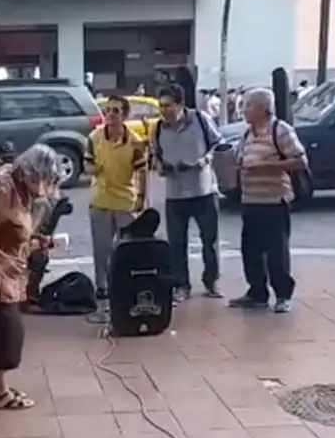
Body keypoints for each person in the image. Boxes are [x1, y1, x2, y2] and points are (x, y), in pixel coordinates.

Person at [0, 144, 61, 410]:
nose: (45, 187)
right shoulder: (3, 189)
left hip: (7, 269)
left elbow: (17, 230)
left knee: (2, 327)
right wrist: (3, 259)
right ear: (30, 173)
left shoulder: (23, 189)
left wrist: (39, 243)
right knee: (8, 328)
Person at [227, 88, 307, 313]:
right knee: (250, 251)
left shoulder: (280, 130)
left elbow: (300, 161)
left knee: (276, 253)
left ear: (263, 108)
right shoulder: (247, 134)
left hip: (274, 201)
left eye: (248, 106)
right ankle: (257, 293)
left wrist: (264, 166)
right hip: (250, 200)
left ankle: (283, 295)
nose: (244, 110)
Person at [150, 84, 222, 303]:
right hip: (175, 193)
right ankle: (181, 284)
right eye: (161, 106)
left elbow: (218, 144)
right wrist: (162, 167)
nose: (164, 111)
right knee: (176, 243)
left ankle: (211, 281)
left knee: (209, 240)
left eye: (168, 106)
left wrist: (204, 161)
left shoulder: (200, 120)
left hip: (204, 190)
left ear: (180, 105)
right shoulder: (158, 128)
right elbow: (155, 155)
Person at [84, 95, 148, 323]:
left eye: (116, 111)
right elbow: (87, 162)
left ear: (125, 116)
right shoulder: (94, 138)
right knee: (101, 248)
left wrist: (142, 196)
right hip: (100, 200)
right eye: (108, 110)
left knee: (128, 248)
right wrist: (93, 169)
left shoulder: (136, 141)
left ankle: (127, 284)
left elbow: (142, 171)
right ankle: (102, 287)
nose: (110, 115)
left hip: (125, 201)